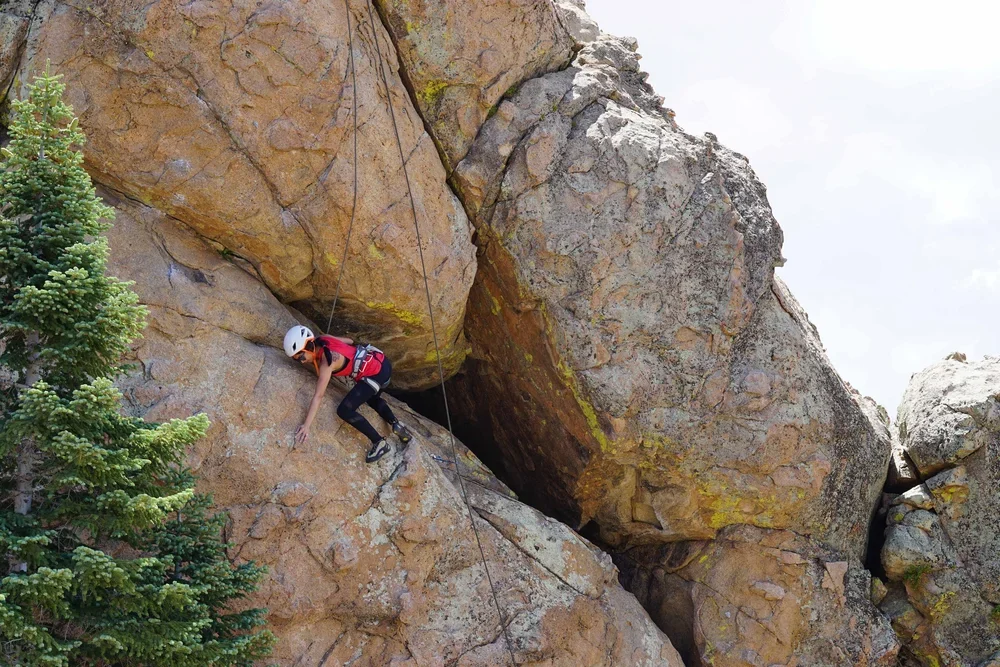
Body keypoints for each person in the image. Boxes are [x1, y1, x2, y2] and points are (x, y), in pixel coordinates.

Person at [284, 325, 412, 463]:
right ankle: (396, 424)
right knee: (372, 398)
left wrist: (306, 425)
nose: (302, 362)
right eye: (297, 360)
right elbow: (350, 341)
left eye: (301, 357)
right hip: (381, 362)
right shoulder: (322, 339)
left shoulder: (327, 362)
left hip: (374, 374)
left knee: (344, 410)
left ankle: (380, 443)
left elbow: (318, 396)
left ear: (308, 347)